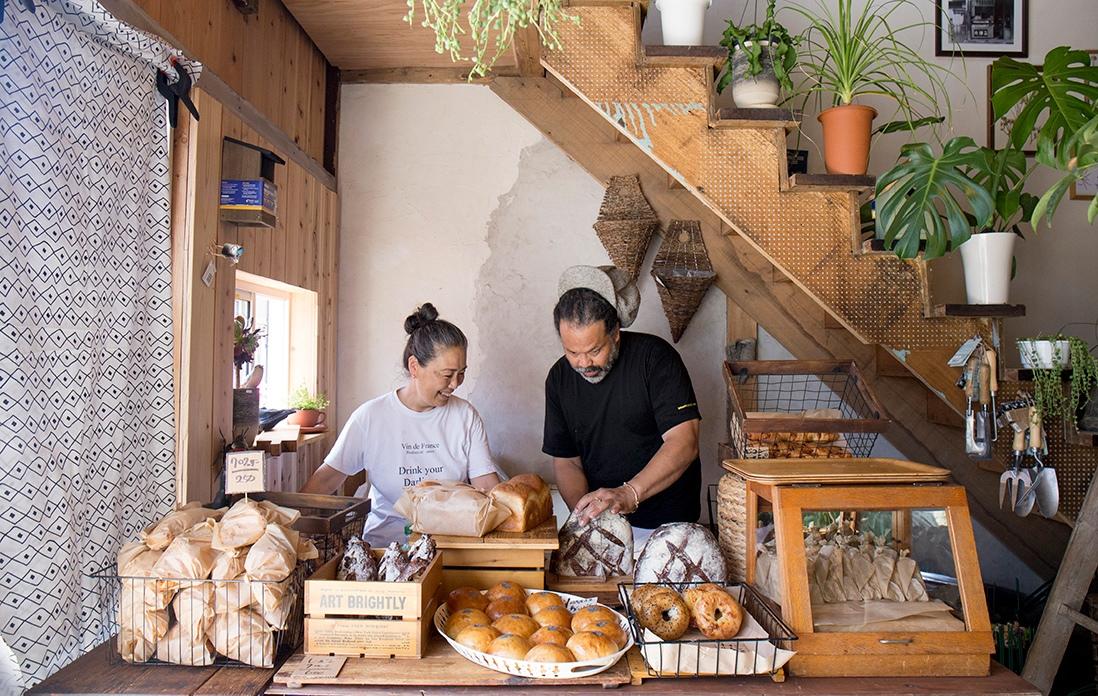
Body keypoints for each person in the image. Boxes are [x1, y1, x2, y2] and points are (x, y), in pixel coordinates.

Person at [301, 303, 501, 545]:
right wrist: (289, 525)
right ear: (414, 366)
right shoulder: (370, 417)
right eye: (447, 374)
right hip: (384, 548)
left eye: (462, 373)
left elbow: (487, 487)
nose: (456, 383)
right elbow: (326, 479)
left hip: (449, 548)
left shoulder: (465, 416)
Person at [542, 265, 702, 537]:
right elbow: (567, 461)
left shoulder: (655, 359)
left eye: (595, 350)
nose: (583, 363)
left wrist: (630, 493)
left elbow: (684, 441)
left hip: (668, 524)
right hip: (606, 527)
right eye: (572, 352)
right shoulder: (559, 378)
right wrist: (585, 518)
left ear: (615, 333)